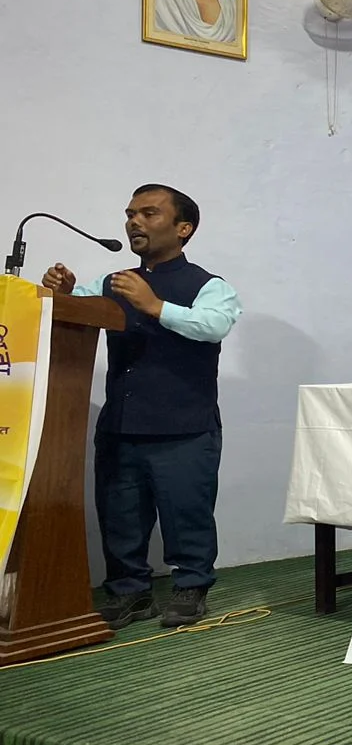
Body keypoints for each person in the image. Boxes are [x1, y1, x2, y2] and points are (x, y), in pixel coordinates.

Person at [41, 185, 241, 630]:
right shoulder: (114, 283)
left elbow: (213, 326)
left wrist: (154, 306)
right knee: (120, 516)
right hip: (121, 425)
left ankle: (191, 587)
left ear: (184, 228)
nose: (134, 221)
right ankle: (129, 592)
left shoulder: (209, 286)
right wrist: (65, 294)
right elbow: (73, 311)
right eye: (130, 214)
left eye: (149, 213)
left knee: (186, 513)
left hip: (183, 427)